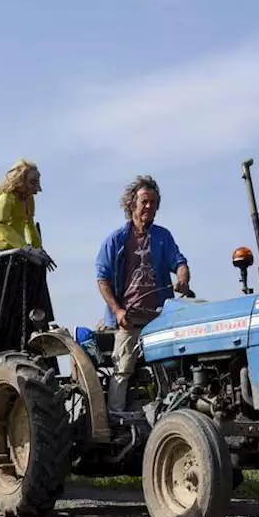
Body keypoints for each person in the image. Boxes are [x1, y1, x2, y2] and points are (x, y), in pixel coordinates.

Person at [95, 175, 190, 413]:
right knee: (123, 368)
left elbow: (179, 262)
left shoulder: (163, 236)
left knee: (170, 368)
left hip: (160, 316)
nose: (150, 207)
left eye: (154, 203)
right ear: (132, 205)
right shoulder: (116, 239)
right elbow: (102, 278)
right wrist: (118, 311)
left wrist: (182, 278)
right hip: (129, 317)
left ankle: (171, 416)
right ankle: (116, 418)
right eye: (145, 202)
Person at [0, 159, 42, 250]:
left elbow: (30, 223)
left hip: (19, 247)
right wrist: (24, 246)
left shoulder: (29, 199)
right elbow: (1, 223)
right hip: (1, 246)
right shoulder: (6, 198)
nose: (36, 189)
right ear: (21, 180)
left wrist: (37, 247)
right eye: (32, 182)